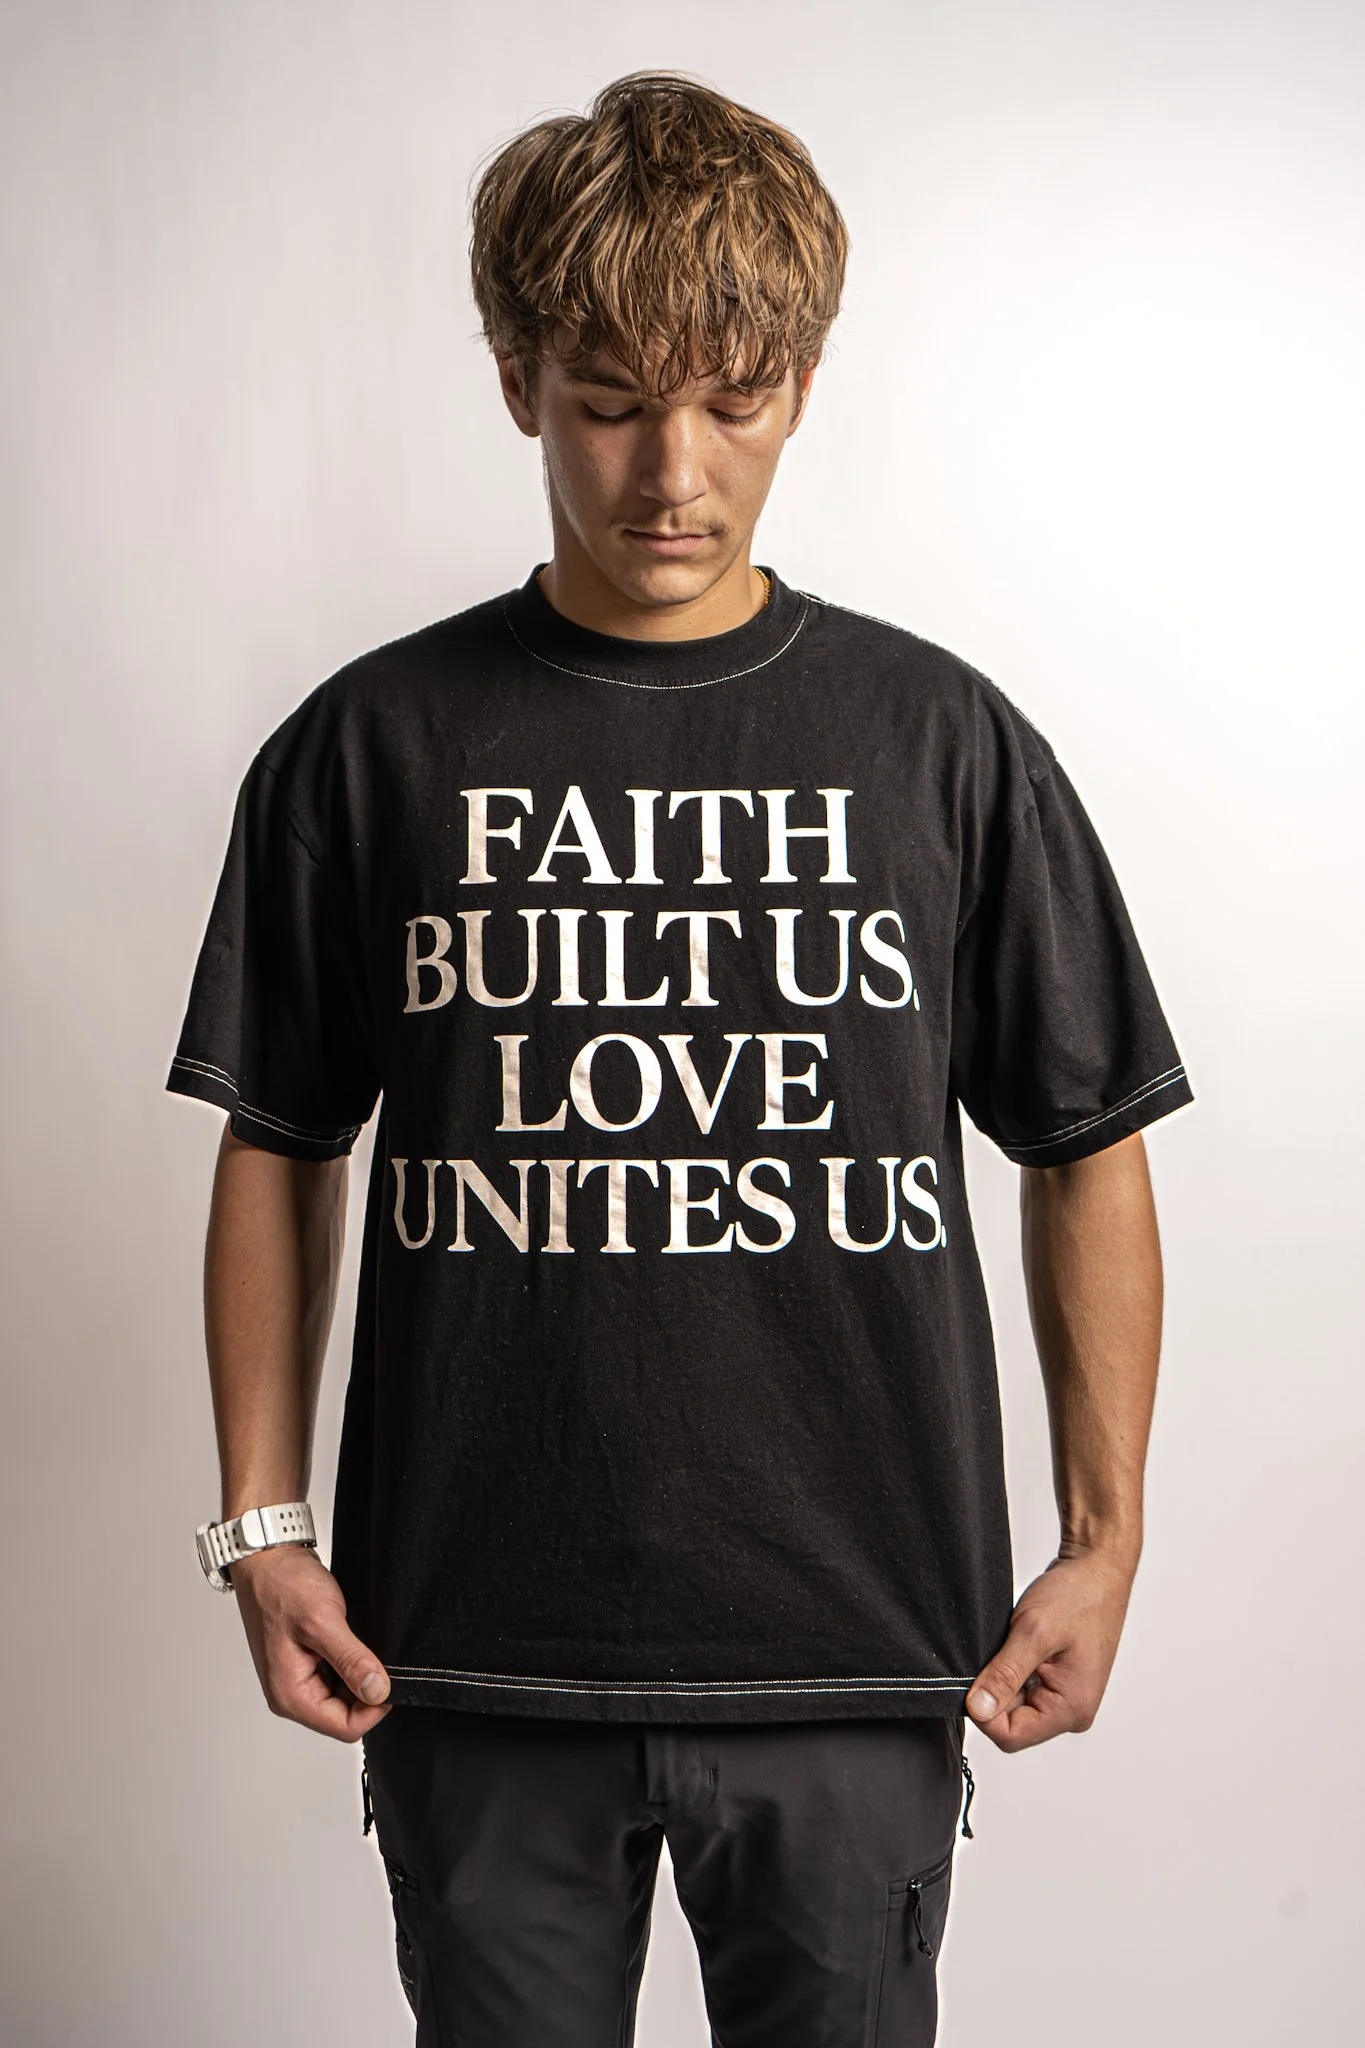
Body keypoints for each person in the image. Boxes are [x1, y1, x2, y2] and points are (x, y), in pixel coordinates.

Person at [168, 69, 1194, 2048]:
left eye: (731, 401)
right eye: (610, 402)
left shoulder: (941, 745)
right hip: (465, 1653)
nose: (671, 475)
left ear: (802, 384)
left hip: (858, 1651)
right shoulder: (370, 748)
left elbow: (1084, 1138)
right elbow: (278, 1141)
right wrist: (263, 1522)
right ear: (513, 380)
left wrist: (1101, 1539)